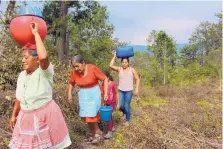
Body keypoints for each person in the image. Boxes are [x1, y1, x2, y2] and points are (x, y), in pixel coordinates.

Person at [8, 22, 71, 148]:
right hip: (26, 116)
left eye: (26, 57)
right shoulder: (22, 76)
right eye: (22, 58)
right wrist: (14, 115)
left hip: (45, 115)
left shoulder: (44, 72)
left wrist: (36, 33)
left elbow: (43, 57)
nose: (22, 60)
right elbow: (19, 98)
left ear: (36, 59)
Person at [67, 55, 108, 144]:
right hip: (83, 94)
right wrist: (69, 94)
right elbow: (71, 83)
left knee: (92, 115)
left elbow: (104, 79)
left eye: (77, 66)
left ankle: (98, 134)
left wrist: (105, 93)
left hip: (94, 93)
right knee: (85, 115)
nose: (76, 68)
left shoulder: (92, 68)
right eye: (74, 67)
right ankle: (93, 134)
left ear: (83, 63)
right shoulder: (74, 72)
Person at [109, 53, 140, 126]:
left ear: (128, 63)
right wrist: (114, 56)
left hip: (129, 91)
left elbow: (137, 79)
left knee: (126, 106)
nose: (124, 64)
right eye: (123, 62)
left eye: (126, 62)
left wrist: (137, 89)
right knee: (120, 106)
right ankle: (125, 112)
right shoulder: (119, 69)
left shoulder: (132, 70)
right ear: (121, 63)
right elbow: (110, 65)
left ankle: (127, 121)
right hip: (120, 90)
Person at [101, 70, 119, 139]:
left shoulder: (113, 84)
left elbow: (116, 93)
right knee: (109, 116)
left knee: (108, 116)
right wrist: (103, 102)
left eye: (104, 76)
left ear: (108, 77)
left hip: (112, 102)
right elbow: (103, 94)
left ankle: (109, 132)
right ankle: (112, 126)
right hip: (106, 102)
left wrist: (118, 103)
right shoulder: (102, 84)